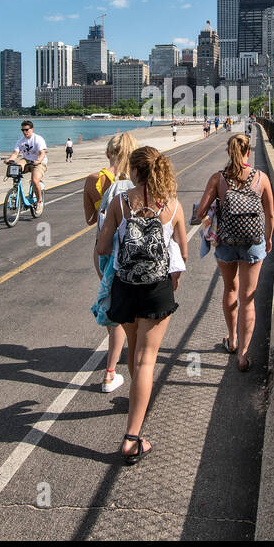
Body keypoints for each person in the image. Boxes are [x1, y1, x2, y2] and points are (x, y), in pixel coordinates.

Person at [96, 146, 188, 464]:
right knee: (147, 360)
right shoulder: (173, 205)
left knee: (135, 356)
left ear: (134, 171)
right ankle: (132, 437)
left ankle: (137, 404)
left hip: (125, 286)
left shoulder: (121, 203)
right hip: (156, 289)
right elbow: (182, 254)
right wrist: (173, 279)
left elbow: (103, 245)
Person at [194, 133, 274, 372]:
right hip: (253, 242)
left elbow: (200, 213)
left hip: (227, 242)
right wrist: (268, 238)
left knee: (230, 289)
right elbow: (269, 215)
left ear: (229, 152)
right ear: (248, 151)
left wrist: (213, 211)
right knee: (248, 297)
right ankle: (243, 354)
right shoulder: (261, 178)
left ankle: (232, 340)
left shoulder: (218, 178)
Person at [84, 132, 137, 393]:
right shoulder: (140, 182)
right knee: (133, 310)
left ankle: (111, 370)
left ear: (108, 154)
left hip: (103, 251)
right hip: (133, 251)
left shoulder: (95, 180)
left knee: (114, 306)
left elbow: (90, 219)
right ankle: (115, 370)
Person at [5, 120, 47, 204]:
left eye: (26, 129)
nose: (24, 132)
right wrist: (9, 159)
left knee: (35, 181)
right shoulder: (20, 141)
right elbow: (15, 153)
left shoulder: (38, 139)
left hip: (38, 161)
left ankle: (39, 202)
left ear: (32, 129)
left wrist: (38, 161)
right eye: (22, 130)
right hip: (26, 160)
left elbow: (42, 153)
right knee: (16, 168)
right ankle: (15, 191)